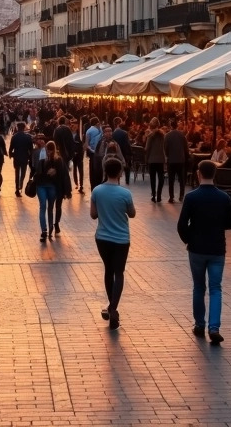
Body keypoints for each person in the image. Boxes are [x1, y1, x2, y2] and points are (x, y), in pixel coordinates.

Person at [176, 160, 231, 345]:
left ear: (198, 173)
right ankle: (214, 327)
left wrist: (189, 240)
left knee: (199, 287)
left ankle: (199, 324)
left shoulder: (191, 197)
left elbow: (181, 225)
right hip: (217, 248)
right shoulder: (224, 197)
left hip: (197, 249)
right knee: (216, 288)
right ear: (215, 174)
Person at [91, 157, 136, 329]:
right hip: (121, 239)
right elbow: (132, 214)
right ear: (120, 173)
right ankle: (113, 308)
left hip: (102, 237)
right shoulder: (125, 194)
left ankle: (111, 307)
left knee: (108, 270)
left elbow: (93, 215)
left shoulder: (97, 191)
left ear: (105, 171)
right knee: (119, 272)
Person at [34, 141, 65, 242]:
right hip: (46, 186)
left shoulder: (55, 159)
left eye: (50, 150)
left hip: (47, 186)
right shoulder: (52, 158)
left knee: (46, 207)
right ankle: (46, 229)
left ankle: (47, 229)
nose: (48, 152)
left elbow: (61, 174)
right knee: (46, 207)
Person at [144, 118, 167, 203]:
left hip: (152, 159)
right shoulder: (162, 135)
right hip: (160, 159)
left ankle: (154, 195)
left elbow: (147, 148)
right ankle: (159, 195)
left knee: (152, 178)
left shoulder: (150, 136)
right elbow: (165, 146)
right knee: (161, 177)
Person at [165, 120, 189, 203]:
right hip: (180, 160)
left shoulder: (167, 136)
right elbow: (186, 148)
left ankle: (171, 197)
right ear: (177, 126)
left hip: (171, 160)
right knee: (181, 179)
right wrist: (185, 157)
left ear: (170, 126)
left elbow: (165, 148)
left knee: (171, 180)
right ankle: (181, 196)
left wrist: (168, 155)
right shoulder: (182, 135)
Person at [9, 122, 34, 196]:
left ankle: (17, 189)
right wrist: (30, 157)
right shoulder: (27, 137)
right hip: (25, 157)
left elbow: (11, 148)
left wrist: (11, 155)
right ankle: (20, 186)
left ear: (17, 127)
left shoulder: (14, 137)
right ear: (24, 128)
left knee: (17, 173)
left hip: (16, 157)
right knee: (23, 174)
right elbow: (31, 148)